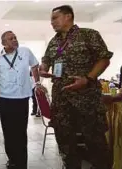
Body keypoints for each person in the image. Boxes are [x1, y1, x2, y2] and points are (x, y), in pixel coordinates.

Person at [39, 5, 113, 169]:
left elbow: (104, 59)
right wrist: (43, 68)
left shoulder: (88, 35)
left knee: (95, 142)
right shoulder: (54, 41)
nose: (51, 22)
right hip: (62, 101)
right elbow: (46, 59)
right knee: (66, 143)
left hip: (86, 99)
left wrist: (87, 79)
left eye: (54, 18)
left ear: (68, 17)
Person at [0, 31, 41, 169]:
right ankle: (12, 159)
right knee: (8, 131)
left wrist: (38, 82)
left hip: (22, 98)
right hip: (5, 99)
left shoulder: (25, 51)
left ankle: (22, 163)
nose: (14, 40)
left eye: (15, 37)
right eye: (11, 39)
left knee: (21, 132)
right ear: (4, 43)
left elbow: (35, 65)